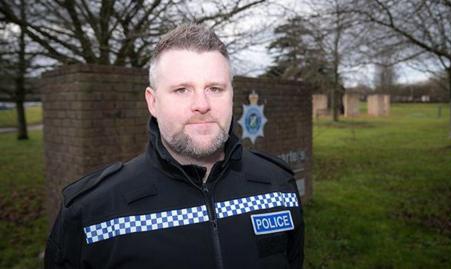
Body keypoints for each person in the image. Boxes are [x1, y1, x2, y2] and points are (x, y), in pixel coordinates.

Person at [45, 23, 304, 269]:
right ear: (152, 101)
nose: (202, 104)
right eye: (182, 89)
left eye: (215, 88)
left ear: (231, 95)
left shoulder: (278, 185)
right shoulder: (92, 214)